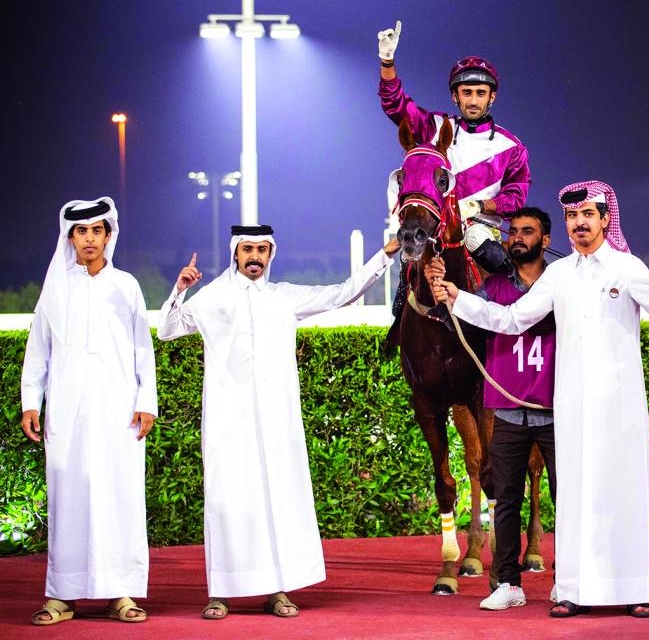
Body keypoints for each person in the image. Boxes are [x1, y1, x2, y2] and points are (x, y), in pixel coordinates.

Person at [431, 180, 649, 619]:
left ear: (606, 220)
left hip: (621, 408)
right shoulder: (559, 275)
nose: (579, 223)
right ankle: (572, 588)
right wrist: (458, 299)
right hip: (571, 407)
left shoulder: (626, 268)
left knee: (624, 494)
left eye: (588, 215)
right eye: (571, 216)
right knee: (575, 497)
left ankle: (636, 588)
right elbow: (511, 320)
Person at [157, 225, 401, 620]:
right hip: (227, 423)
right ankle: (221, 592)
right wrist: (180, 289)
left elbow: (342, 293)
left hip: (276, 423)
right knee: (228, 504)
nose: (255, 256)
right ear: (236, 253)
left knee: (277, 503)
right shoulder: (214, 297)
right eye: (248, 249)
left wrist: (385, 255)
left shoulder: (283, 297)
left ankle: (278, 590)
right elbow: (168, 330)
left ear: (271, 255)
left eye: (262, 250)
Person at [20, 197, 157, 626]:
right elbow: (38, 348)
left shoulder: (127, 286)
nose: (90, 238)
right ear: (70, 237)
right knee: (70, 498)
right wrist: (31, 400)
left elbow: (142, 350)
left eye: (97, 230)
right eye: (81, 231)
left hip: (119, 413)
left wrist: (146, 401)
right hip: (67, 412)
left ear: (108, 235)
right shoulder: (56, 289)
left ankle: (120, 593)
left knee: (119, 497)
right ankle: (63, 597)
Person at [427, 207, 558, 611]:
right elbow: (460, 318)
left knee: (568, 499)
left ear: (546, 240)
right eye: (513, 232)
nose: (518, 238)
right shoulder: (492, 289)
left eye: (528, 231)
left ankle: (570, 579)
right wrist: (441, 292)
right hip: (505, 409)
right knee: (504, 498)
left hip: (555, 408)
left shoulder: (564, 282)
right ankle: (507, 582)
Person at [377, 20, 531, 317]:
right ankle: (401, 313)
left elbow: (516, 199)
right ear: (455, 96)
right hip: (434, 228)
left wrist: (478, 205)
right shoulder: (433, 127)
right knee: (412, 252)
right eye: (466, 92)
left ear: (491, 97)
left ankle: (519, 315)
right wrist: (387, 63)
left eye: (480, 93)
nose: (473, 100)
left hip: (478, 230)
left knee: (505, 268)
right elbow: (395, 105)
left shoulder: (512, 147)